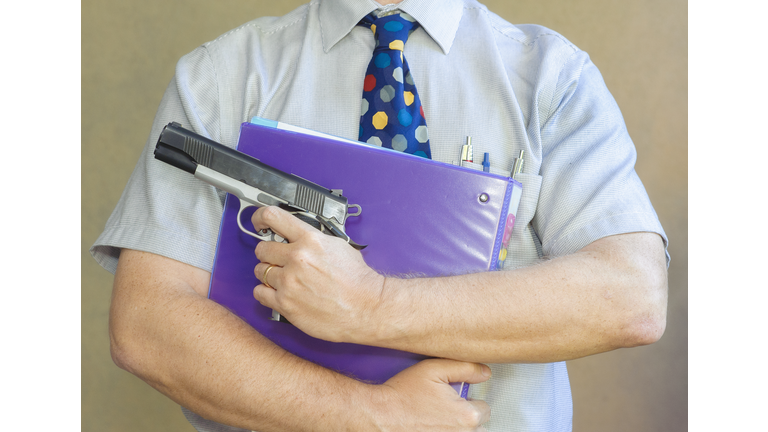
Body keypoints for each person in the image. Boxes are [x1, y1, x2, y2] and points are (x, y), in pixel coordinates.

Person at [91, 0, 669, 430]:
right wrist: (373, 415)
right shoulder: (220, 76)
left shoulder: (550, 77)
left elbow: (631, 295)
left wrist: (370, 305)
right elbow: (147, 325)